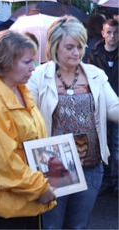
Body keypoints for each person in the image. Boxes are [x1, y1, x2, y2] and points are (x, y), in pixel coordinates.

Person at [27, 15, 119, 229]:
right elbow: (25, 117)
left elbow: (115, 108)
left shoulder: (95, 75)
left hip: (91, 165)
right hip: (54, 163)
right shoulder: (38, 77)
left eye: (80, 46)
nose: (77, 52)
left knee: (79, 226)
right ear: (55, 47)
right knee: (52, 226)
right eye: (69, 47)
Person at [0, 30, 56, 230]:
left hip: (26, 204)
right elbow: (1, 164)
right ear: (5, 63)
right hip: (7, 213)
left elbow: (33, 142)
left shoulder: (20, 91)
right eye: (27, 62)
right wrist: (39, 187)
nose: (33, 68)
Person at [87, 18, 119, 196]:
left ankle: (116, 183)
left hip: (117, 105)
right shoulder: (94, 54)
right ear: (103, 33)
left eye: (115, 32)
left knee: (117, 147)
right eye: (109, 32)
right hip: (100, 105)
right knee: (102, 144)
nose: (112, 36)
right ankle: (106, 182)